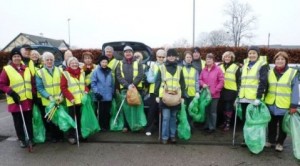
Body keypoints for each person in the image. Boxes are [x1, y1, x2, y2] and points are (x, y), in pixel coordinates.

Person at [0, 47, 35, 148]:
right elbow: (2, 84)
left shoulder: (26, 68)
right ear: (11, 58)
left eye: (18, 56)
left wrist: (34, 94)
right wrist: (11, 92)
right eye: (14, 56)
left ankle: (30, 138)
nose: (17, 58)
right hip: (15, 101)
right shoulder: (7, 69)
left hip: (27, 100)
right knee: (19, 122)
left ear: (21, 57)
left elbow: (31, 83)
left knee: (28, 121)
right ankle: (22, 139)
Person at [264, 51, 297, 152]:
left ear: (286, 61)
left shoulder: (292, 72)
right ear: (275, 61)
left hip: (284, 104)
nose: (280, 61)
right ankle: (271, 140)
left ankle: (280, 143)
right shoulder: (269, 72)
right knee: (271, 124)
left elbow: (295, 90)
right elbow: (265, 87)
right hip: (271, 103)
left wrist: (294, 105)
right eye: (278, 59)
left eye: (282, 59)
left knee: (283, 126)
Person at [237, 46, 269, 145]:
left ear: (258, 54)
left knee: (254, 120)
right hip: (243, 97)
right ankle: (246, 138)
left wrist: (259, 97)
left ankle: (254, 139)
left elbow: (263, 82)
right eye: (250, 53)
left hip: (254, 98)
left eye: (254, 53)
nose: (251, 55)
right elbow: (240, 81)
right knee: (245, 119)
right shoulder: (245, 65)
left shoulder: (262, 65)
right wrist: (238, 95)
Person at [154, 48, 185, 144]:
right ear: (167, 57)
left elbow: (182, 83)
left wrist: (182, 96)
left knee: (173, 117)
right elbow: (158, 82)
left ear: (176, 57)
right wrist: (157, 96)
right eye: (169, 55)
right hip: (165, 97)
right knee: (166, 117)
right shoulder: (162, 67)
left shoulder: (180, 68)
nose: (171, 57)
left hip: (176, 97)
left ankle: (172, 136)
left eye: (173, 55)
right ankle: (164, 137)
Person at [35, 52, 64, 142]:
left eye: (51, 59)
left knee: (60, 117)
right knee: (50, 119)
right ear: (43, 61)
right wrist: (48, 96)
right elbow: (40, 87)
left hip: (59, 99)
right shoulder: (39, 72)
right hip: (48, 100)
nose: (49, 61)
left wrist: (62, 95)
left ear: (54, 60)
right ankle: (54, 137)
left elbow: (63, 84)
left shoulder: (60, 70)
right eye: (47, 59)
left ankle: (60, 135)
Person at [60, 57, 89, 144]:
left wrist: (86, 90)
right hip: (72, 101)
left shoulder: (82, 73)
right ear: (69, 64)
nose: (74, 64)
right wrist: (70, 97)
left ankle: (80, 134)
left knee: (81, 119)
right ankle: (72, 136)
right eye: (72, 63)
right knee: (72, 119)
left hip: (81, 101)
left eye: (76, 62)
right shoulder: (65, 74)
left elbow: (84, 85)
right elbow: (63, 87)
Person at [116, 45, 144, 132]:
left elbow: (140, 75)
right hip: (125, 89)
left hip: (136, 89)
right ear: (124, 53)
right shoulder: (119, 63)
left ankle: (137, 125)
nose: (128, 53)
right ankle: (126, 126)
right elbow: (119, 76)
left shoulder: (138, 62)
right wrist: (127, 85)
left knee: (136, 107)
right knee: (125, 108)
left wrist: (133, 85)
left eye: (130, 51)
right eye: (126, 52)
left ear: (132, 53)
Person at [199, 53, 224, 133]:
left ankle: (212, 127)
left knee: (212, 112)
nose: (208, 60)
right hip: (205, 95)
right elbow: (200, 80)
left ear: (213, 60)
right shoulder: (204, 70)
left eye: (210, 59)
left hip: (214, 95)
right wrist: (203, 84)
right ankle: (207, 125)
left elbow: (221, 81)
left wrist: (215, 90)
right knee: (206, 110)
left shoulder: (218, 69)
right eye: (207, 59)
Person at [145, 49, 166, 136]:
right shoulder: (153, 66)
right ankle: (149, 128)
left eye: (162, 57)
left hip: (165, 91)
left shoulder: (167, 66)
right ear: (156, 57)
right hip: (153, 92)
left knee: (163, 111)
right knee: (152, 111)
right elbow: (149, 79)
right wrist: (158, 78)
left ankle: (161, 128)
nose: (161, 58)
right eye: (159, 57)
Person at [218, 51, 241, 131]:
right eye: (225, 57)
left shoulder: (236, 67)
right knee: (223, 107)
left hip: (231, 90)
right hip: (222, 90)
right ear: (223, 58)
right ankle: (224, 122)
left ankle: (228, 123)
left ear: (231, 58)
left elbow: (239, 80)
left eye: (229, 57)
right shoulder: (219, 66)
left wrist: (239, 91)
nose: (227, 58)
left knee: (228, 107)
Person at [91, 56, 114, 131]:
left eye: (106, 62)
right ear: (100, 62)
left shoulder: (110, 71)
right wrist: (96, 93)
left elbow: (112, 83)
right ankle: (100, 126)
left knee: (107, 112)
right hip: (99, 96)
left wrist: (113, 92)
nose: (104, 63)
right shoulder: (96, 71)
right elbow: (93, 83)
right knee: (100, 112)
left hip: (108, 95)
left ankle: (106, 126)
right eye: (103, 62)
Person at [182, 51, 200, 128]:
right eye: (187, 57)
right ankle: (184, 126)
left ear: (192, 59)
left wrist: (197, 91)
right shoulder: (181, 69)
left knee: (191, 111)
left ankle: (190, 126)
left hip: (192, 94)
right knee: (184, 111)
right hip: (183, 94)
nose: (188, 59)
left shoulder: (195, 70)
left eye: (190, 57)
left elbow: (197, 81)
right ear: (184, 58)